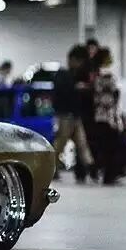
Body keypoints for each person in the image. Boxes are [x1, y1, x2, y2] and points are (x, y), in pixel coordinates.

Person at [53, 45, 94, 181]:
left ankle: (91, 167)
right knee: (60, 143)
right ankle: (51, 168)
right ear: (72, 60)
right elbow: (61, 95)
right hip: (65, 116)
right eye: (79, 61)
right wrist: (76, 88)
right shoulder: (63, 75)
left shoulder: (77, 75)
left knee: (82, 143)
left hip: (75, 116)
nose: (80, 64)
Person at [92, 48, 123, 184]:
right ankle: (109, 175)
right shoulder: (107, 75)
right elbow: (112, 94)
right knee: (111, 147)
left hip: (99, 116)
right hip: (109, 116)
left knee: (103, 147)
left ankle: (105, 173)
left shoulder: (97, 75)